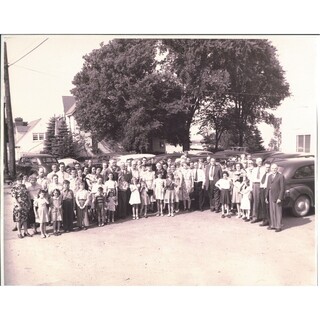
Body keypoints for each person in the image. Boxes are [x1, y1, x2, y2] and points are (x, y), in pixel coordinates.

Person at [11, 174, 32, 238]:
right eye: (19, 179)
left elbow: (27, 195)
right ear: (16, 180)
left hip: (25, 204)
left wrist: (29, 202)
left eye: (21, 179)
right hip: (18, 205)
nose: (20, 180)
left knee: (25, 219)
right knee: (19, 219)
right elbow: (14, 197)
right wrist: (18, 204)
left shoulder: (24, 186)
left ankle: (26, 232)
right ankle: (19, 233)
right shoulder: (14, 187)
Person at [266, 163, 285, 232]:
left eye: (275, 168)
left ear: (277, 169)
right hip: (270, 194)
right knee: (272, 211)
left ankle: (278, 226)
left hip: (277, 196)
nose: (274, 170)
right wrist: (266, 197)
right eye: (272, 168)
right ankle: (273, 225)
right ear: (270, 169)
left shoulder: (280, 176)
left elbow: (282, 188)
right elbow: (267, 187)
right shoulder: (269, 176)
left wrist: (280, 198)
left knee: (278, 211)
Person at [250, 157, 264, 223]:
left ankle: (261, 216)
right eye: (258, 161)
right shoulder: (254, 170)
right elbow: (251, 179)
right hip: (255, 185)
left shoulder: (264, 169)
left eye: (260, 161)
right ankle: (255, 217)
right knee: (255, 201)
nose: (259, 163)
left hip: (261, 185)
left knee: (261, 201)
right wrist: (251, 187)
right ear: (256, 162)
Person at [259, 161, 272, 227]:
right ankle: (264, 220)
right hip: (262, 189)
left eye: (269, 167)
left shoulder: (271, 174)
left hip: (267, 190)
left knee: (268, 206)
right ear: (264, 166)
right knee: (263, 205)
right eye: (266, 167)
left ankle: (270, 221)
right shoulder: (261, 172)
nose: (268, 168)